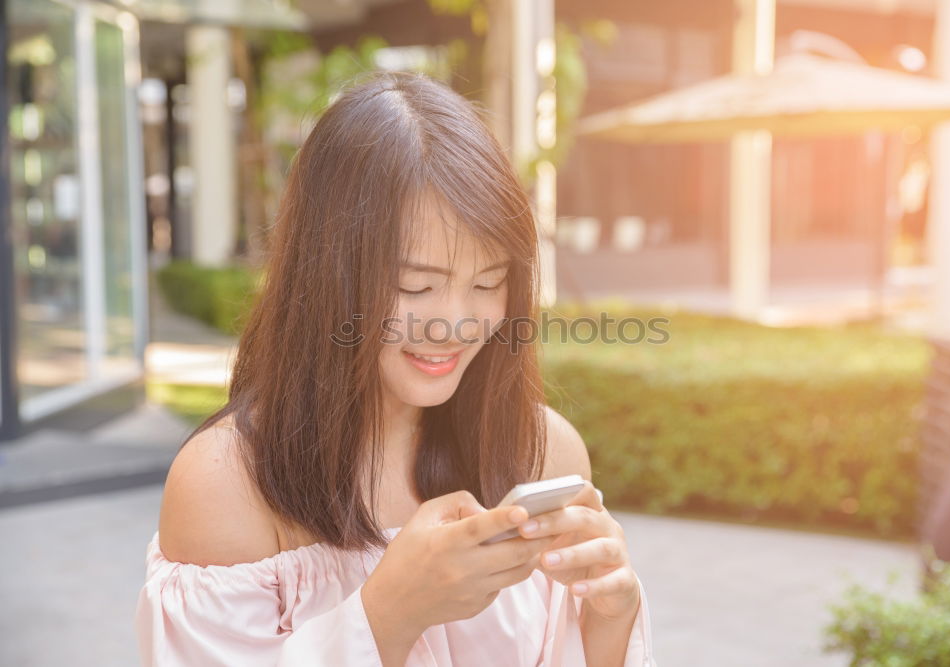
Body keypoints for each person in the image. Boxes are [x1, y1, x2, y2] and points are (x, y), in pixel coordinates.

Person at [134, 70, 655, 667]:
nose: (455, 324)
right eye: (416, 286)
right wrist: (390, 614)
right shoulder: (226, 486)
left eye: (488, 283)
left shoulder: (542, 451)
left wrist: (609, 622)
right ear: (325, 273)